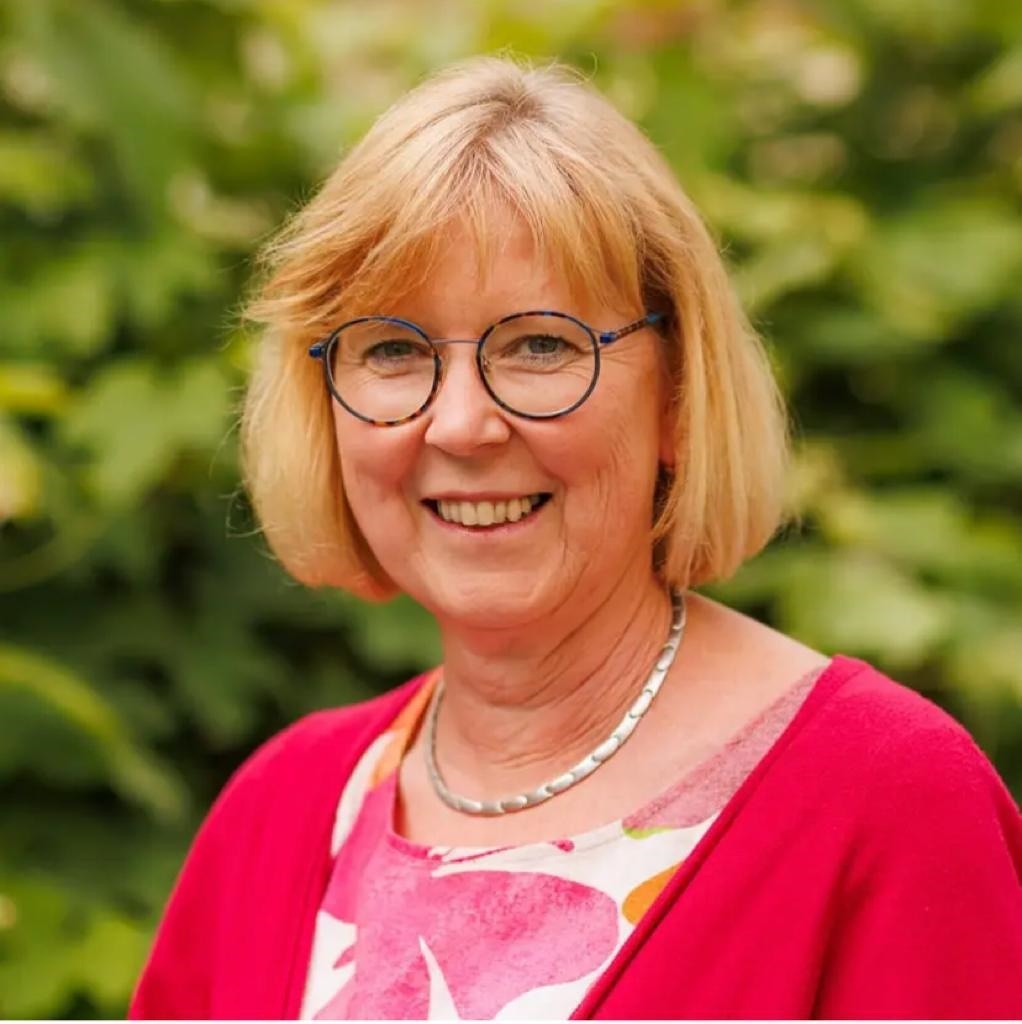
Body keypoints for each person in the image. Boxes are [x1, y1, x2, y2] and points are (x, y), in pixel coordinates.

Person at [130, 57, 1022, 1020]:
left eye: (540, 344)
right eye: (394, 349)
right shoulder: (281, 810)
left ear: (677, 394)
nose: (461, 425)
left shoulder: (885, 797)